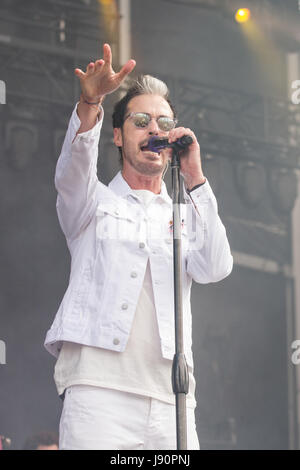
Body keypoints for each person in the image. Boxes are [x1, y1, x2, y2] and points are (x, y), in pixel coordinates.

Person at [44, 43, 233, 450]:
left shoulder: (184, 213)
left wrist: (196, 176)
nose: (154, 130)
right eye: (141, 120)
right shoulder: (92, 202)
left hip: (172, 399)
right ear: (117, 134)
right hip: (98, 393)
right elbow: (72, 170)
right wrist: (91, 101)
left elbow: (216, 266)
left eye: (163, 123)